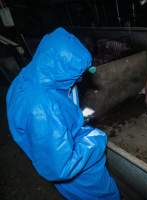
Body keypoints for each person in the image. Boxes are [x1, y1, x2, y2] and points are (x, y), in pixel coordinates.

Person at [6, 27, 120, 200]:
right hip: (78, 172)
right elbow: (61, 166)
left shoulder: (34, 76)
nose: (80, 79)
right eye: (78, 75)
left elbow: (57, 116)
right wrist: (96, 139)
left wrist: (78, 117)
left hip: (61, 148)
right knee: (101, 195)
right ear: (62, 68)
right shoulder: (41, 108)